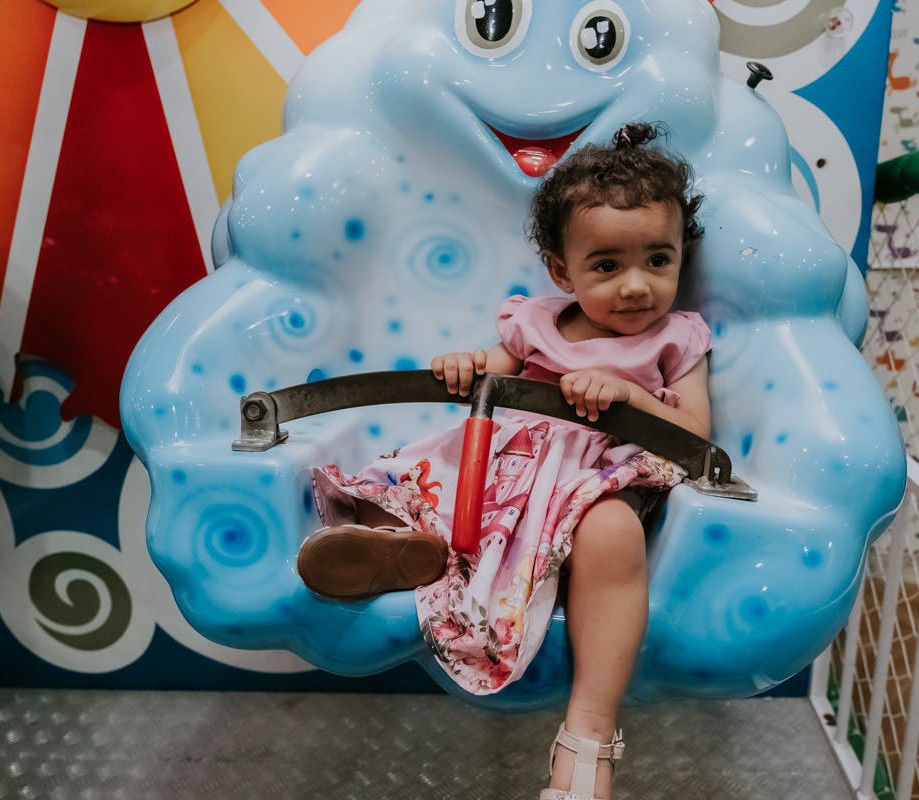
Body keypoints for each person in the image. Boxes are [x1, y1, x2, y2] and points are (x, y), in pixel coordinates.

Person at [298, 121, 711, 800]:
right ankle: (407, 545)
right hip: (508, 463)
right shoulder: (535, 322)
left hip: (596, 478)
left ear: (679, 258)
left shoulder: (677, 340)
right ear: (562, 271)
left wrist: (627, 397)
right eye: (607, 266)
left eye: (658, 261)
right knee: (411, 479)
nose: (637, 287)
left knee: (613, 533)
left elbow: (696, 435)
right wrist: (466, 364)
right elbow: (495, 370)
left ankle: (588, 736)